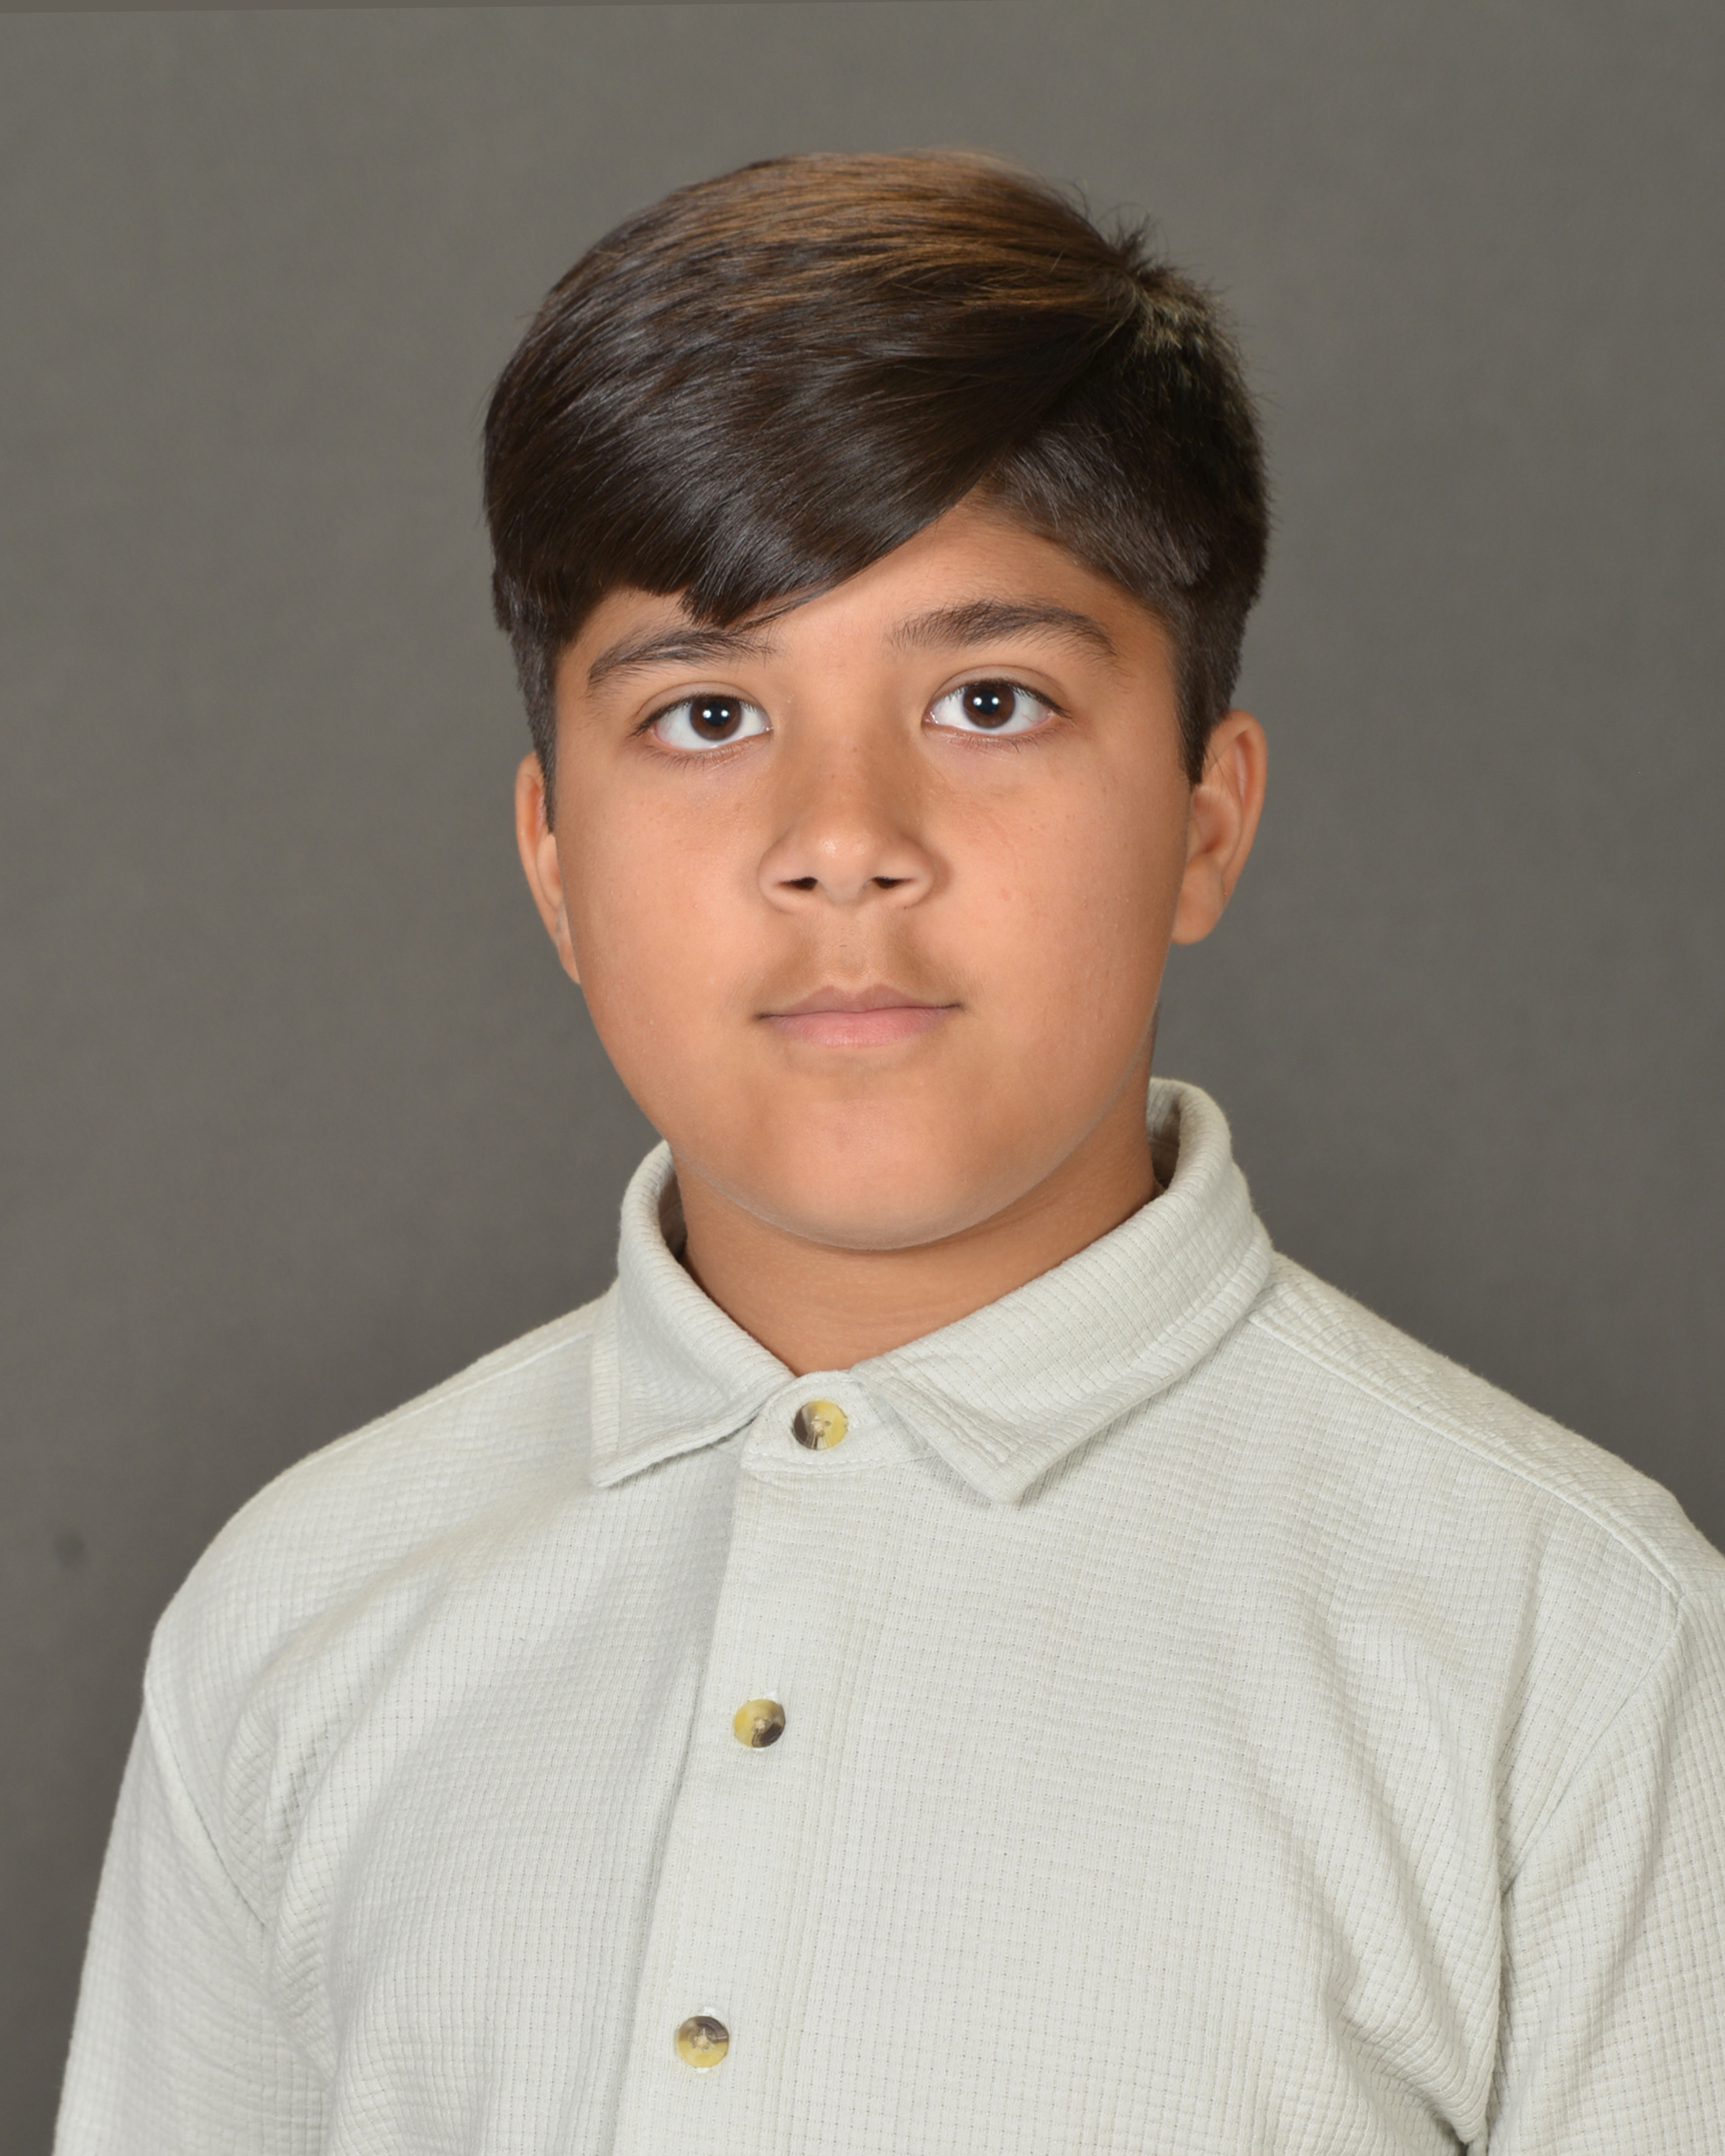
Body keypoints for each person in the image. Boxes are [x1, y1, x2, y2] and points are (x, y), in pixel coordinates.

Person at [56, 152, 1725, 2155]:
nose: (844, 840)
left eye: (988, 700)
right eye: (704, 716)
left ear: (1205, 819)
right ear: (553, 858)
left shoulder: (1576, 1652)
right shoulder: (300, 1615)